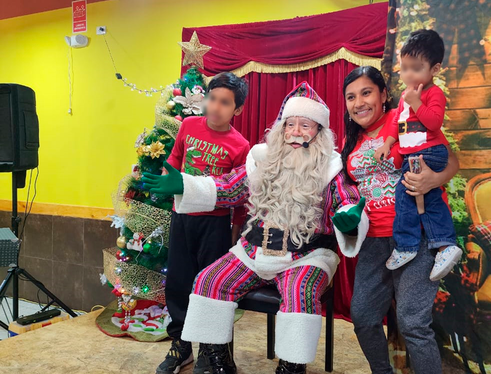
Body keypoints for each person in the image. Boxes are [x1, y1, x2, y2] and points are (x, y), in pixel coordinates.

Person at [144, 81, 369, 374]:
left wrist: (350, 218)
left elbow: (347, 202)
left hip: (306, 256)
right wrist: (186, 184)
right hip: (253, 249)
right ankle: (218, 359)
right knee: (209, 280)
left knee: (300, 291)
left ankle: (291, 365)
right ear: (281, 128)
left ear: (319, 133)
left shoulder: (331, 169)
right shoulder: (263, 160)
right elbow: (229, 186)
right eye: (290, 124)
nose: (296, 132)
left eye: (305, 125)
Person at [342, 66, 459, 374]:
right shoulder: (350, 140)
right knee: (364, 317)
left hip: (414, 236)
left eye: (366, 93)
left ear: (383, 95)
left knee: (412, 322)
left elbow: (450, 159)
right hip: (373, 242)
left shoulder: (406, 118)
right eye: (351, 97)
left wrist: (434, 179)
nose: (358, 103)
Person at [142, 72, 251, 374]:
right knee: (178, 283)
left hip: (215, 227)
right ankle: (181, 346)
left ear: (237, 109)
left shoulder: (241, 146)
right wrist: (167, 186)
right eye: (212, 98)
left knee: (209, 289)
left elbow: (240, 195)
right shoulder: (189, 126)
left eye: (225, 102)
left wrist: (235, 231)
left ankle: (209, 349)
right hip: (183, 220)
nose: (215, 106)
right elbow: (174, 162)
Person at [373, 29, 462, 279]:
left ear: (434, 69)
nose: (409, 74)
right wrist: (387, 144)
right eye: (405, 68)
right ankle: (433, 244)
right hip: (412, 155)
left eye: (416, 68)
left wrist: (416, 103)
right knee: (412, 198)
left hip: (429, 153)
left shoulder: (433, 94)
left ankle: (421, 245)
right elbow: (396, 124)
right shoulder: (405, 96)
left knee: (414, 196)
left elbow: (434, 123)